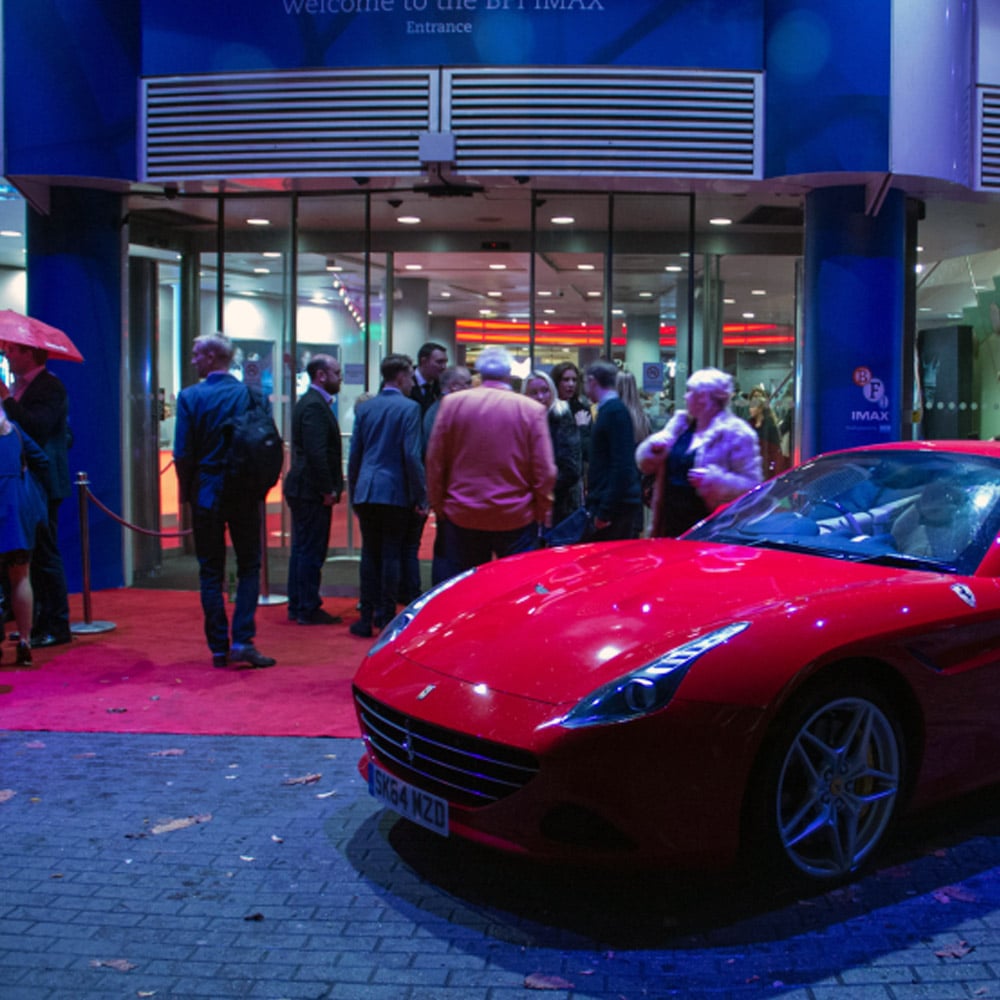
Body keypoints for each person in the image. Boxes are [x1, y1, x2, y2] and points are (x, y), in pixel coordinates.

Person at [173, 332, 277, 669]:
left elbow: (183, 453)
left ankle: (218, 647)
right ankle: (243, 639)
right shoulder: (251, 396)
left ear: (212, 357)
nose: (193, 361)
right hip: (244, 491)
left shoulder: (190, 397)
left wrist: (186, 494)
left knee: (210, 570)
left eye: (196, 355)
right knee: (249, 566)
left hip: (206, 491)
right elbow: (267, 444)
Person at [426, 346, 555, 579]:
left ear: (480, 373)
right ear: (508, 373)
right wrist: (541, 508)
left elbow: (436, 462)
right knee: (515, 590)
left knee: (462, 590)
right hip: (516, 516)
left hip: (461, 513)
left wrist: (438, 505)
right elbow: (544, 470)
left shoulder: (453, 404)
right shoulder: (530, 409)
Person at [347, 353, 426, 637]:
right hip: (394, 491)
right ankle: (386, 616)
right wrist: (422, 496)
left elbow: (355, 454)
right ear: (402, 376)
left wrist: (355, 491)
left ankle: (365, 615)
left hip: (367, 489)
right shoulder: (410, 409)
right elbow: (411, 456)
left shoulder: (367, 408)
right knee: (391, 553)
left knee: (370, 553)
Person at [0, 342, 73, 648]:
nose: (7, 356)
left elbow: (38, 428)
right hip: (23, 485)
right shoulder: (22, 388)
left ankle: (56, 624)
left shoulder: (50, 386)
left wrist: (6, 399)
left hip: (40, 485)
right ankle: (34, 622)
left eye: (12, 351)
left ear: (29, 353)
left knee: (44, 554)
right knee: (25, 560)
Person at [636, 367, 762, 538]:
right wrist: (653, 449)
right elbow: (645, 464)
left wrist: (715, 480)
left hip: (711, 530)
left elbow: (752, 487)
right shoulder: (680, 425)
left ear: (705, 399)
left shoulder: (737, 433)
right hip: (669, 526)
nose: (685, 397)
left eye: (691, 392)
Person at [283, 353, 344, 626]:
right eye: (336, 373)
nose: (340, 378)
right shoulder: (314, 406)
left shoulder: (312, 403)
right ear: (322, 375)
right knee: (311, 549)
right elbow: (316, 452)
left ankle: (299, 603)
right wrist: (327, 488)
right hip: (310, 490)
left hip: (304, 488)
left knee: (303, 548)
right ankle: (306, 605)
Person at [0, 408, 49, 665]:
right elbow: (42, 460)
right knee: (21, 577)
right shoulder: (15, 430)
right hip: (16, 510)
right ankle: (25, 641)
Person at [583, 360, 643, 541]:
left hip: (615, 506)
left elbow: (621, 465)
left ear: (593, 381)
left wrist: (605, 511)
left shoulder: (613, 412)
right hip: (617, 503)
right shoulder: (614, 410)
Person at [522, 369, 582, 526]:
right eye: (534, 392)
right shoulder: (524, 419)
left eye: (545, 391)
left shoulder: (560, 415)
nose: (540, 397)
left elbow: (571, 469)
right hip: (532, 505)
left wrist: (541, 491)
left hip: (560, 504)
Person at [550, 360, 592, 475]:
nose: (571, 384)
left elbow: (588, 453)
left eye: (574, 380)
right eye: (566, 380)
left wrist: (582, 429)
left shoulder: (581, 409)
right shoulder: (549, 409)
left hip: (575, 476)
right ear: (556, 382)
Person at [747, 388, 784, 478]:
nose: (750, 410)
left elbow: (776, 450)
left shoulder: (770, 426)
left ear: (760, 409)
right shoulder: (749, 424)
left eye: (753, 407)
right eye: (750, 407)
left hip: (766, 468)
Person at [410, 341, 448, 415]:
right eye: (439, 362)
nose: (444, 367)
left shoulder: (441, 386)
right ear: (424, 361)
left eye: (445, 362)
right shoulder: (404, 381)